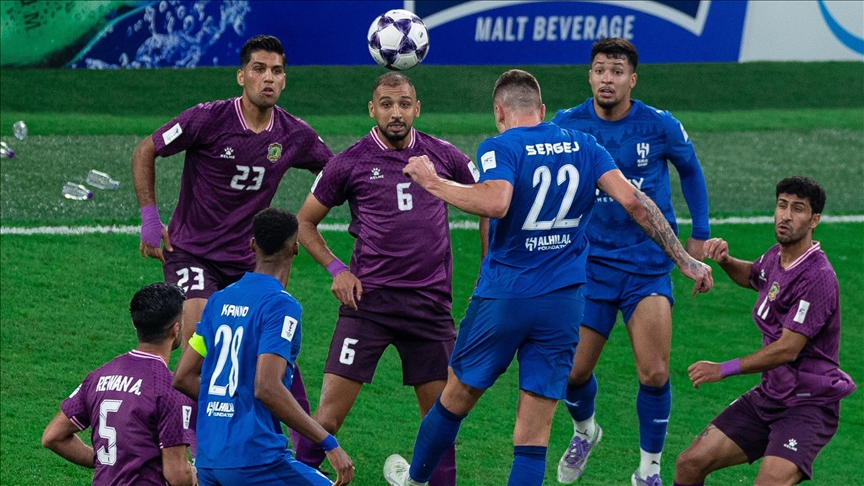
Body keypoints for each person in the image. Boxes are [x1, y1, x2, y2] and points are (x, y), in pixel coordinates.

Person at [382, 69, 712, 486]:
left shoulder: (500, 146)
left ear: (499, 112)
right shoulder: (585, 145)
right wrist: (684, 259)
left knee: (456, 398)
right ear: (541, 110)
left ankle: (414, 480)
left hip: (505, 298)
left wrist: (432, 181)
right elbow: (635, 202)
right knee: (534, 435)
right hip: (562, 304)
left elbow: (497, 202)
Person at [131, 34, 326, 445]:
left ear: (284, 80)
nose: (268, 78)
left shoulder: (295, 134)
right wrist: (150, 217)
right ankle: (194, 447)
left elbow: (336, 172)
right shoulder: (208, 119)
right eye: (259, 69)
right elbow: (145, 150)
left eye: (276, 71)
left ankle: (300, 451)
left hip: (246, 262)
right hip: (191, 253)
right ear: (241, 77)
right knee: (204, 342)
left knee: (273, 348)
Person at [293, 71, 482, 486]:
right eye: (386, 104)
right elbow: (304, 223)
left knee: (440, 426)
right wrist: (337, 269)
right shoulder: (349, 162)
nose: (395, 113)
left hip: (429, 310)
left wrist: (488, 269)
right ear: (372, 109)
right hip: (367, 308)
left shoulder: (444, 156)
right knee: (327, 419)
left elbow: (489, 200)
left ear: (417, 108)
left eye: (404, 104)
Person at [550, 37, 711, 486]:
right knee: (573, 373)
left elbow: (690, 169)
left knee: (654, 372)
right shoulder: (567, 125)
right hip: (589, 267)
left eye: (617, 72)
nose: (608, 79)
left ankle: (648, 472)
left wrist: (699, 231)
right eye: (600, 70)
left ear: (632, 79)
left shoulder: (659, 125)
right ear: (589, 76)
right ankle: (585, 431)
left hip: (647, 266)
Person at [673, 176, 855, 486]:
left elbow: (788, 349)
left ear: (814, 220)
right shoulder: (777, 256)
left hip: (808, 405)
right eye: (782, 205)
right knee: (689, 464)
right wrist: (725, 261)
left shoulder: (818, 277)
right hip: (770, 396)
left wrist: (722, 369)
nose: (786, 215)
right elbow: (754, 276)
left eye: (797, 209)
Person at [172, 208, 354, 486]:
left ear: (252, 245)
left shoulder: (218, 300)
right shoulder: (280, 306)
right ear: (295, 248)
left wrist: (231, 402)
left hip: (209, 462)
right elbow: (267, 387)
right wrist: (328, 442)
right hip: (256, 461)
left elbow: (183, 376)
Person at [42, 282, 196, 486]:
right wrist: (194, 476)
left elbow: (53, 436)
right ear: (175, 329)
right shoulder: (169, 389)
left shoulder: (98, 377)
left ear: (134, 324)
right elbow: (177, 476)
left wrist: (105, 460)